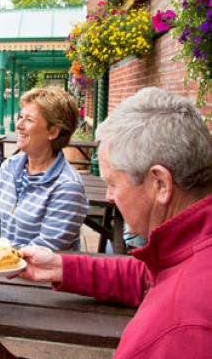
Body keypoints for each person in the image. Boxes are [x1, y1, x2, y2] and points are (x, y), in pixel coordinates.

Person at [19, 87, 212, 359]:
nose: (109, 196)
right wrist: (61, 267)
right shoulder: (191, 250)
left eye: (112, 183)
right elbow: (148, 276)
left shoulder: (180, 328)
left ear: (160, 184)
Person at [0, 86, 89, 359]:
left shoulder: (67, 186)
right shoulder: (12, 167)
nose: (19, 125)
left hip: (43, 282)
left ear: (53, 132)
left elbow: (44, 254)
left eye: (28, 119)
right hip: (7, 272)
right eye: (20, 117)